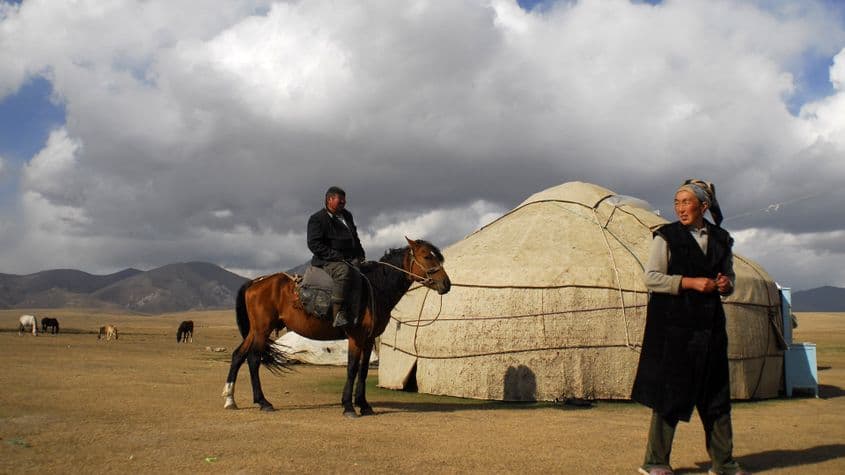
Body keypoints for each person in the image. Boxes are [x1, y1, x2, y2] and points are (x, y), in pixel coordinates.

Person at [631, 179, 750, 475]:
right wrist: (688, 282)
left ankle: (723, 463)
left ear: (703, 206)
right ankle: (655, 462)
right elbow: (651, 278)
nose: (680, 208)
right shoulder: (666, 236)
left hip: (710, 330)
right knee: (670, 394)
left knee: (717, 397)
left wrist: (726, 284)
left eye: (687, 202)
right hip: (675, 330)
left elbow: (730, 279)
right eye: (677, 202)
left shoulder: (722, 240)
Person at [307, 186, 366, 328]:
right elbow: (313, 244)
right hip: (327, 260)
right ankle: (338, 314)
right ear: (330, 200)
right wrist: (335, 256)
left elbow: (354, 237)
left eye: (344, 199)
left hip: (349, 258)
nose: (343, 202)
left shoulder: (347, 215)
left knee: (363, 273)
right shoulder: (317, 219)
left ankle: (357, 311)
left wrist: (360, 253)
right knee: (343, 272)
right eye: (340, 199)